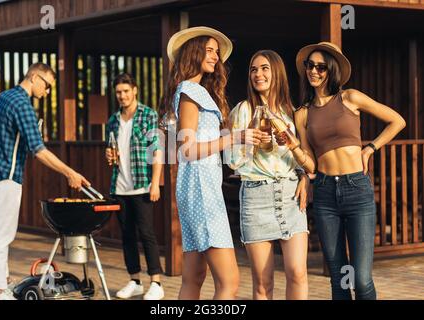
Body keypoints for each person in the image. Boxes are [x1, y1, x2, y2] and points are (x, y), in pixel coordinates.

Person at [284, 42, 405, 299]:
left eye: (320, 66)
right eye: (309, 65)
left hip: (357, 189)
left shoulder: (350, 97)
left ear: (332, 70)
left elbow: (398, 121)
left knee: (361, 280)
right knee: (338, 278)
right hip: (326, 192)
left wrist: (369, 149)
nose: (313, 71)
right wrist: (298, 159)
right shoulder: (302, 114)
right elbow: (311, 162)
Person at [163, 26, 266, 299]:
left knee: (194, 278)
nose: (215, 57)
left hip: (198, 187)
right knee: (229, 282)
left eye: (217, 53)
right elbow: (187, 148)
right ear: (194, 52)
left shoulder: (195, 91)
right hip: (201, 190)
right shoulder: (189, 90)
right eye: (209, 50)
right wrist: (234, 138)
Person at [0, 63, 90, 300]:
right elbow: (38, 150)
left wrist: (10, 134)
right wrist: (70, 172)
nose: (48, 92)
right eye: (48, 85)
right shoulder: (24, 106)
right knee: (3, 236)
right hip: (7, 177)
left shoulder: (2, 97)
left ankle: (0, 285)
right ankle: (0, 294)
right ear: (34, 77)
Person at [228, 50, 309, 300]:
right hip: (256, 196)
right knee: (264, 284)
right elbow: (232, 162)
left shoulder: (292, 112)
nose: (258, 74)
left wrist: (304, 176)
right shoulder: (243, 110)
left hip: (290, 195)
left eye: (264, 68)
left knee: (297, 272)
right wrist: (250, 139)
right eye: (253, 69)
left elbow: (304, 154)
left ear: (277, 73)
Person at [105, 73, 164, 300]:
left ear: (135, 90)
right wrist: (109, 156)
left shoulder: (149, 115)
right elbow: (111, 153)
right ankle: (135, 280)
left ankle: (156, 283)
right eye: (118, 92)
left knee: (147, 234)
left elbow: (157, 150)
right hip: (119, 186)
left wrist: (155, 184)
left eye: (126, 91)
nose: (122, 96)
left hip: (142, 185)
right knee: (127, 235)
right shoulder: (112, 121)